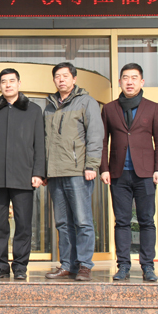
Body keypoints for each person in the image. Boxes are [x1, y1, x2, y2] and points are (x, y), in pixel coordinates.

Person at [0, 68, 45, 280]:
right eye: (4, 81)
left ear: (19, 83)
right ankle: (0, 265)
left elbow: (39, 144)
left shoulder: (34, 110)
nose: (8, 85)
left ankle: (20, 266)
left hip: (24, 175)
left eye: (11, 81)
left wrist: (38, 172)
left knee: (23, 224)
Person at [99, 63, 158, 282]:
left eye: (134, 78)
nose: (130, 82)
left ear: (142, 82)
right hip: (118, 173)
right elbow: (103, 142)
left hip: (145, 174)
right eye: (126, 78)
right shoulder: (109, 109)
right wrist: (104, 168)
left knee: (147, 220)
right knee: (122, 221)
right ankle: (123, 266)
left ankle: (148, 266)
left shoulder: (152, 108)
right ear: (119, 82)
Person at [44, 62, 103, 282]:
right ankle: (68, 264)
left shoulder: (86, 102)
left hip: (78, 172)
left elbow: (95, 135)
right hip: (55, 173)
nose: (61, 80)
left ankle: (85, 265)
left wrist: (91, 165)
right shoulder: (49, 106)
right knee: (62, 223)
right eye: (57, 76)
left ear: (74, 79)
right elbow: (44, 140)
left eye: (65, 76)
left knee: (83, 221)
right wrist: (44, 171)